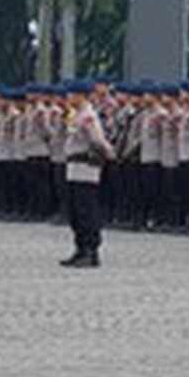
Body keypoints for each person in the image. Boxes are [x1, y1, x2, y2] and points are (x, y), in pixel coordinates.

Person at [60, 81, 117, 268]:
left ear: (81, 96)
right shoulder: (75, 115)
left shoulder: (88, 116)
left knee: (86, 211)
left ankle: (90, 251)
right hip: (74, 168)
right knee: (75, 211)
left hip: (85, 167)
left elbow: (98, 141)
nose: (68, 98)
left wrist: (108, 153)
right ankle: (80, 248)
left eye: (71, 94)